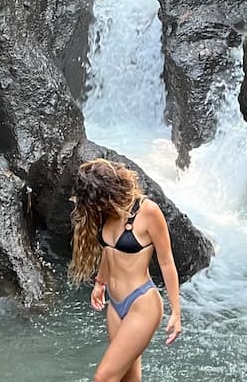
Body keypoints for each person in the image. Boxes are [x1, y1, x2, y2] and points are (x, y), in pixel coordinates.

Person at [70, 158, 182, 382]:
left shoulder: (148, 211)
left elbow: (167, 261)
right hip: (115, 305)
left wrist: (176, 312)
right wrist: (100, 284)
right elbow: (110, 251)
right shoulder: (107, 211)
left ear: (106, 192)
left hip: (142, 303)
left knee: (104, 377)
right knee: (126, 379)